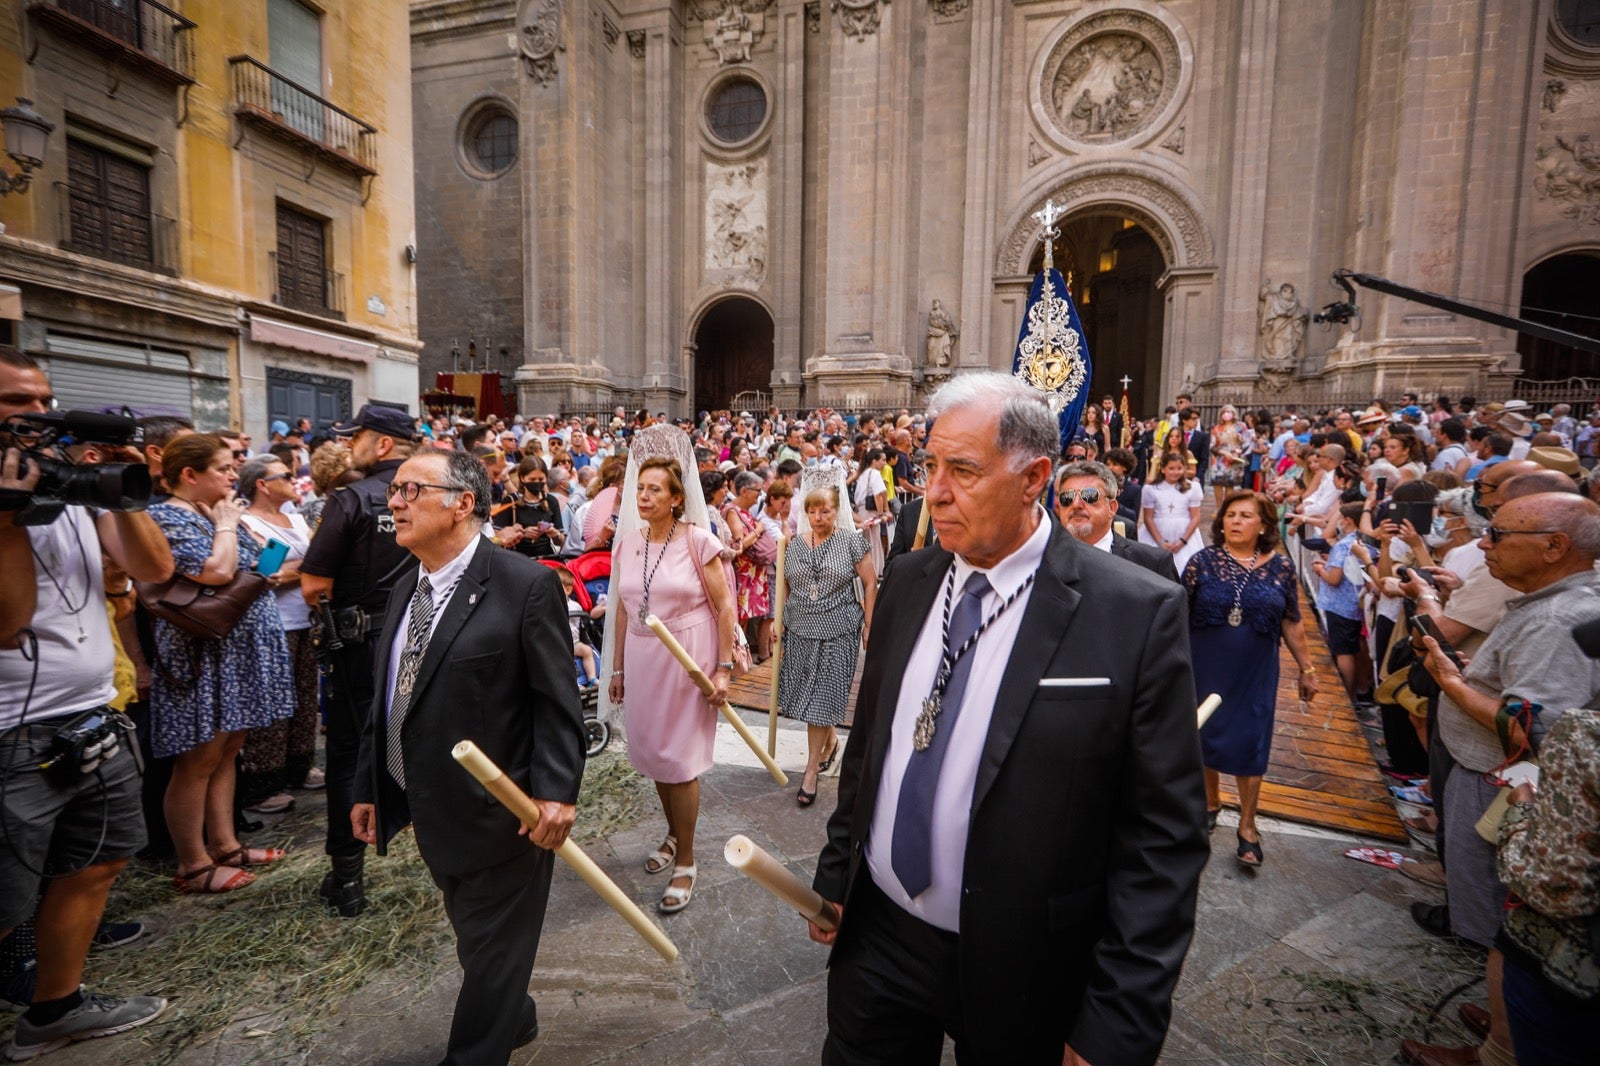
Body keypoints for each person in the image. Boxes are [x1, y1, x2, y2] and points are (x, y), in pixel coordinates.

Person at [809, 373, 1207, 1065]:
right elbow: (872, 745)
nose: (933, 491)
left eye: (962, 470)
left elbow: (1162, 839)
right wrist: (839, 869)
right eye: (928, 467)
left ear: (1034, 479)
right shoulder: (908, 580)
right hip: (878, 936)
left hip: (1028, 961)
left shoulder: (1133, 611)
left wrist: (1117, 1020)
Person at [350, 448, 584, 1065]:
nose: (393, 502)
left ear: (463, 503)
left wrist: (558, 794)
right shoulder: (404, 588)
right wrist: (370, 785)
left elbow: (556, 702)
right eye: (394, 490)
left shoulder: (524, 585)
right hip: (432, 809)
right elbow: (389, 699)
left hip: (506, 816)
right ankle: (517, 1014)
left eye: (411, 490)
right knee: (481, 941)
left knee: (491, 949)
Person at [0, 349, 176, 1057]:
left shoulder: (69, 482)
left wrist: (123, 487)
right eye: (18, 402)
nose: (39, 416)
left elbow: (155, 569)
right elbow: (8, 620)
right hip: (13, 728)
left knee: (95, 864)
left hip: (94, 713)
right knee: (6, 902)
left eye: (45, 400)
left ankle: (55, 1009)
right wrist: (10, 516)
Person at [1400, 493, 1600, 1066]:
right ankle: (1506, 1019)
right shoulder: (1549, 603)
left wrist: (1451, 681)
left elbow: (1534, 724)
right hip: (1489, 771)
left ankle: (1501, 1050)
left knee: (1507, 926)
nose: (1482, 544)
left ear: (1554, 546)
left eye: (1498, 534)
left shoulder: (1561, 618)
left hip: (1505, 784)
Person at [146, 437, 295, 892]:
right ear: (190, 475)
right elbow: (214, 572)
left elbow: (270, 564)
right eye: (224, 469)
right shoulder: (166, 516)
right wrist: (229, 525)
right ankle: (193, 863)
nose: (235, 477)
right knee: (198, 758)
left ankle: (225, 844)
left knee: (229, 749)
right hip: (204, 652)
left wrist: (238, 527)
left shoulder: (218, 515)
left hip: (238, 649)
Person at [604, 444, 738, 915]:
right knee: (656, 756)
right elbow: (622, 607)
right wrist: (616, 668)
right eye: (639, 488)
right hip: (643, 657)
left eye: (654, 489)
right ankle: (674, 831)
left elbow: (724, 606)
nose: (643, 496)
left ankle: (686, 859)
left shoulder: (699, 541)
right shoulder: (628, 541)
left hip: (688, 659)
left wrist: (722, 668)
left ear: (677, 498)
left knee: (679, 762)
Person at [299, 403, 420, 917]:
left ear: (384, 445)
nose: (351, 446)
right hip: (418, 638)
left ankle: (347, 879)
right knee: (417, 742)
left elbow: (313, 585)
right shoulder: (439, 494)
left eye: (359, 437)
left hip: (363, 645)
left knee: (349, 753)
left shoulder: (352, 500)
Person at [1184, 490, 1318, 860]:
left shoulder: (1282, 568)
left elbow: (1292, 622)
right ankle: (1212, 802)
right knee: (1205, 733)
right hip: (1204, 664)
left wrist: (1307, 669)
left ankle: (1247, 824)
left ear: (1263, 526)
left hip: (1255, 670)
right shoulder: (1202, 562)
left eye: (1245, 515)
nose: (1236, 522)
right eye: (1230, 515)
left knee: (1251, 742)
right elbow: (1177, 613)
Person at [777, 481, 876, 807]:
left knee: (822, 700)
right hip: (801, 630)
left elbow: (870, 581)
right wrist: (779, 622)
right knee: (805, 697)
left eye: (825, 510)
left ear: (837, 511)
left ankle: (810, 772)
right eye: (812, 511)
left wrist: (868, 622)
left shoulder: (851, 541)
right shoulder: (792, 544)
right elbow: (785, 585)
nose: (818, 517)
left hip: (838, 630)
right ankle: (830, 743)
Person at [236, 456, 321, 808]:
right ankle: (263, 782)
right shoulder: (244, 521)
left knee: (305, 697)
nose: (294, 479)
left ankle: (300, 767)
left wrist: (296, 568)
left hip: (306, 619)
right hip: (272, 623)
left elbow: (321, 557)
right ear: (262, 484)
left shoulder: (297, 519)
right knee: (272, 701)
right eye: (286, 475)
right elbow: (267, 575)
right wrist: (308, 565)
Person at [1054, 460, 1178, 580]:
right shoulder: (1042, 560)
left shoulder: (1152, 564)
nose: (1076, 504)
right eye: (1067, 497)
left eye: (1089, 496)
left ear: (1112, 508)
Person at [1139, 450, 1206, 573]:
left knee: (1185, 568)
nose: (1176, 472)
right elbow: (1148, 518)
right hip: (1157, 533)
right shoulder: (1152, 489)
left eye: (1179, 468)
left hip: (1185, 534)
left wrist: (1182, 541)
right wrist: (1160, 542)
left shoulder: (1192, 488)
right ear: (1163, 469)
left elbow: (1195, 517)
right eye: (1171, 468)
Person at [492, 455, 565, 558]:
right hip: (517, 558)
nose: (536, 483)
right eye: (532, 479)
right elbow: (496, 536)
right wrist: (521, 533)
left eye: (540, 479)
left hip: (546, 558)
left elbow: (561, 541)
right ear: (522, 478)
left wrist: (555, 534)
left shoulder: (551, 501)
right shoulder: (511, 501)